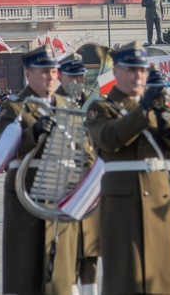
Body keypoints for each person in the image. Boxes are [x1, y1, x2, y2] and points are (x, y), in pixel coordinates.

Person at [86, 41, 170, 294]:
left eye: (142, 70)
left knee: (162, 277)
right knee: (126, 276)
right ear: (117, 72)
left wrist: (165, 124)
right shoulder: (101, 107)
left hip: (160, 201)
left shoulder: (159, 106)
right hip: (124, 203)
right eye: (132, 69)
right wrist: (144, 109)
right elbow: (109, 138)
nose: (138, 76)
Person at [0, 44, 80, 294]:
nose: (51, 77)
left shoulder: (68, 105)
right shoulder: (14, 107)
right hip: (26, 199)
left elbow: (84, 148)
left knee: (60, 281)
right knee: (26, 278)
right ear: (28, 74)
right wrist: (33, 131)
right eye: (44, 72)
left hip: (61, 198)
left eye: (53, 72)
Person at [56, 53, 100, 295]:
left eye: (81, 76)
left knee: (90, 249)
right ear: (61, 77)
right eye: (73, 76)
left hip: (91, 183)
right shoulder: (53, 102)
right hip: (65, 184)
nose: (78, 80)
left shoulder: (94, 102)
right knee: (68, 248)